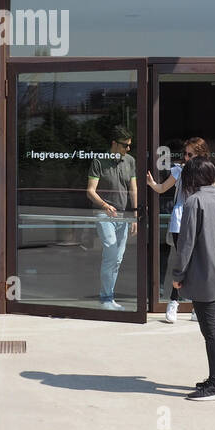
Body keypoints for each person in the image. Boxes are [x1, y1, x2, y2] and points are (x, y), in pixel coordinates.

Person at [170, 156, 215, 400]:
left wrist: (178, 275)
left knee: (210, 332)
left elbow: (185, 244)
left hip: (203, 275)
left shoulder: (195, 201)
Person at [147, 136, 210, 323]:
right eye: (185, 153)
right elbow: (162, 188)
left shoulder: (208, 172)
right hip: (180, 220)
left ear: (200, 155)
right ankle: (173, 302)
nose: (186, 157)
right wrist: (151, 184)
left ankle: (195, 306)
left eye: (190, 154)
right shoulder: (179, 170)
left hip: (199, 220)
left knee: (196, 263)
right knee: (182, 262)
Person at [86, 125, 137, 311]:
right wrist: (105, 205)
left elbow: (133, 189)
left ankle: (108, 296)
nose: (128, 149)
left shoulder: (130, 161)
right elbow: (90, 191)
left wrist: (136, 213)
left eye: (130, 145)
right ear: (114, 144)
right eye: (125, 145)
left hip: (123, 214)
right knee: (111, 252)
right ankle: (106, 298)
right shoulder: (99, 161)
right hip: (104, 213)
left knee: (117, 258)